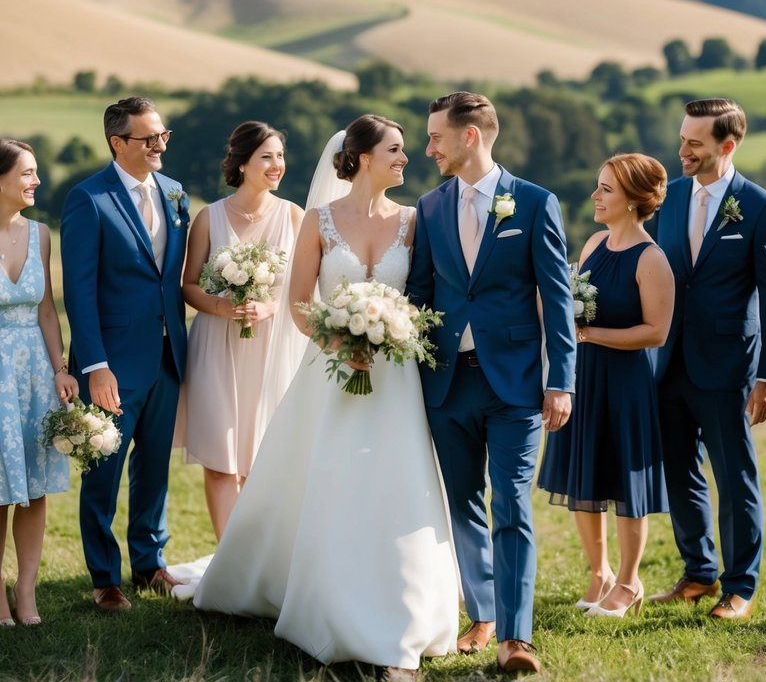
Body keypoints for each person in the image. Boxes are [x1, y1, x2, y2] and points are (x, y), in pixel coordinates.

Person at [193, 115, 458, 680]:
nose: (405, 159)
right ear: (362, 157)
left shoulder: (415, 221)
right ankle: (324, 603)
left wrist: (392, 330)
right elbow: (297, 304)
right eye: (395, 149)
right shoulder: (318, 220)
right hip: (330, 373)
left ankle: (402, 616)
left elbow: (423, 297)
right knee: (331, 481)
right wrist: (340, 338)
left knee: (395, 485)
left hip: (395, 378)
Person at [406, 91, 576, 675]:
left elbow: (557, 300)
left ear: (470, 136)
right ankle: (482, 611)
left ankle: (516, 638)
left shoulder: (533, 203)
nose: (427, 148)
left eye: (436, 137)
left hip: (518, 387)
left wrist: (563, 381)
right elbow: (421, 295)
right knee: (461, 502)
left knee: (513, 505)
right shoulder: (428, 208)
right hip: (447, 385)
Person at [650, 98, 766, 620]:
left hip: (730, 364)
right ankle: (699, 572)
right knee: (679, 469)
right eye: (682, 138)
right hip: (668, 361)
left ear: (727, 147)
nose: (681, 151)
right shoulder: (671, 195)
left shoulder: (760, 206)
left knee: (734, 476)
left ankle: (741, 586)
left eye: (694, 144)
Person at [60, 96, 189, 612]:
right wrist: (94, 366)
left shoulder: (176, 193)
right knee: (104, 471)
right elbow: (80, 291)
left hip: (167, 356)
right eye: (148, 138)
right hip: (110, 362)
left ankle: (149, 563)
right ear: (118, 143)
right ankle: (104, 577)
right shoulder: (87, 199)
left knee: (154, 468)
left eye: (163, 135)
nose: (159, 145)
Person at [538, 154, 674, 617]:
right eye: (598, 186)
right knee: (585, 474)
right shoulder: (595, 243)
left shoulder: (652, 259)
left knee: (624, 482)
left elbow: (656, 331)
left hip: (625, 383)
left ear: (634, 201)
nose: (595, 196)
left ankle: (631, 581)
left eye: (606, 190)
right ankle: (600, 573)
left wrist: (592, 334)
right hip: (584, 376)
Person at [176, 122, 303, 540]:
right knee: (221, 457)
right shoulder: (209, 217)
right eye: (267, 156)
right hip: (216, 346)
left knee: (261, 460)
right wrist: (223, 307)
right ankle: (225, 561)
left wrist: (268, 305)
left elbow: (304, 289)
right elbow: (189, 285)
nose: (276, 165)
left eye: (280, 156)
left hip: (271, 351)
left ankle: (252, 562)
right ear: (243, 162)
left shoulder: (294, 216)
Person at [0, 139, 79, 627]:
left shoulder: (41, 234)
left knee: (33, 487)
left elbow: (48, 309)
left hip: (33, 374)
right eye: (27, 173)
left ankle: (25, 592)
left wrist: (60, 369)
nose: (36, 181)